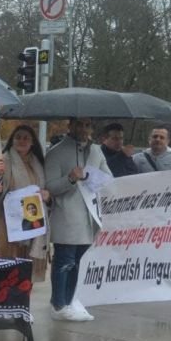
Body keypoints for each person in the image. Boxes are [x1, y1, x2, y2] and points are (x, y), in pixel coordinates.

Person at [45, 118, 112, 321]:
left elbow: (108, 180)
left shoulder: (96, 151)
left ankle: (70, 300)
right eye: (79, 124)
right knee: (64, 262)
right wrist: (70, 179)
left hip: (89, 218)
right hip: (66, 216)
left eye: (87, 125)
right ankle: (58, 305)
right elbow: (50, 187)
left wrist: (92, 177)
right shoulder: (55, 153)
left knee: (78, 263)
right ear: (70, 126)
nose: (83, 129)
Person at [0, 124, 49, 280]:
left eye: (26, 138)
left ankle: (22, 292)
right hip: (4, 221)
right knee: (4, 263)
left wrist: (47, 196)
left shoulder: (38, 163)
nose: (22, 141)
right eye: (18, 137)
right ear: (12, 140)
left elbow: (45, 188)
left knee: (25, 267)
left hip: (31, 220)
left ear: (32, 142)